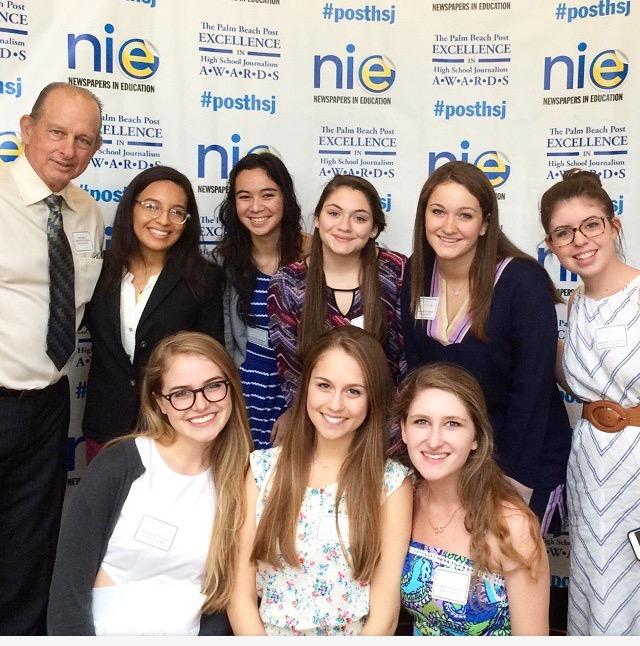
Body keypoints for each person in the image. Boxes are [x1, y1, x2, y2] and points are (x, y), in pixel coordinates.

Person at [47, 331, 253, 635]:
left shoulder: (241, 480)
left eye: (213, 386)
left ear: (231, 390)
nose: (201, 404)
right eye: (181, 393)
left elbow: (221, 602)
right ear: (159, 403)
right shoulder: (120, 464)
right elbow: (67, 595)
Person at [400, 161, 571, 522]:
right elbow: (417, 378)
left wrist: (510, 484)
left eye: (464, 215)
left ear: (485, 224)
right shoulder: (416, 274)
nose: (448, 227)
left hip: (517, 458)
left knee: (506, 571)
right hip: (448, 457)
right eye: (438, 212)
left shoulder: (521, 283)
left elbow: (533, 391)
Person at [0, 81, 104, 635]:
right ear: (26, 129)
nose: (69, 149)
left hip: (47, 403)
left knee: (29, 541)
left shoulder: (87, 213)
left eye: (84, 139)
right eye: (57, 132)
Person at [228, 326, 412, 635]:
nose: (335, 404)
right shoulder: (262, 469)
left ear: (373, 398)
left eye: (354, 391)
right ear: (306, 388)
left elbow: (386, 611)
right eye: (324, 385)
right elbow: (239, 595)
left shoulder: (391, 483)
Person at [540, 169, 640, 636]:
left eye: (591, 224)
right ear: (551, 244)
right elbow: (573, 375)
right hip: (590, 466)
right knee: (595, 586)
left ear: (613, 225)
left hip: (636, 470)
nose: (579, 240)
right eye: (564, 232)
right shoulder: (576, 303)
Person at [82, 165, 224, 463]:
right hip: (106, 427)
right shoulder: (98, 269)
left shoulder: (204, 279)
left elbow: (211, 360)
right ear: (130, 208)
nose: (163, 220)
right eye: (151, 206)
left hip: (174, 430)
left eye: (176, 212)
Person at [396, 363, 549, 635]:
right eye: (421, 422)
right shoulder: (403, 502)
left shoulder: (512, 525)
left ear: (476, 437)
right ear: (404, 430)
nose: (433, 440)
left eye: (452, 424)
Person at [268, 174, 406, 412]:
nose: (344, 226)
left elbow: (406, 361)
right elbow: (292, 375)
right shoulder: (287, 282)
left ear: (374, 229)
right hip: (319, 418)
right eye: (334, 213)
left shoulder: (397, 272)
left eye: (359, 218)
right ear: (318, 219)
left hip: (385, 422)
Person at [216, 152, 307, 449]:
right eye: (244, 196)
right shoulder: (225, 260)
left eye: (268, 195)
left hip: (300, 395)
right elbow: (226, 340)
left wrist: (298, 408)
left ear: (285, 198)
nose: (256, 207)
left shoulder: (315, 255)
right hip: (244, 394)